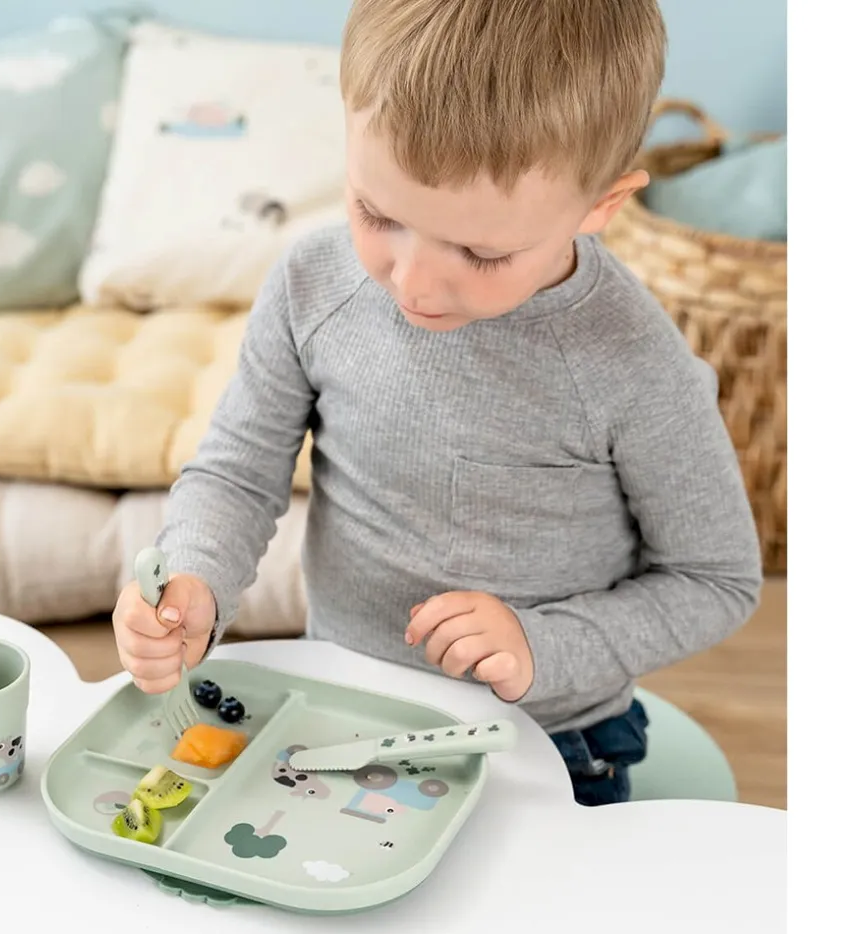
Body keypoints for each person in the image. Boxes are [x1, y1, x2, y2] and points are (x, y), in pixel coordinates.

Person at [112, 0, 762, 806]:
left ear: (601, 205)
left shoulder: (633, 365)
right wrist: (195, 578)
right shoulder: (311, 285)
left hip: (548, 739)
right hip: (339, 705)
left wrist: (542, 644)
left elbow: (714, 579)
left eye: (481, 252)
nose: (414, 283)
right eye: (377, 213)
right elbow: (238, 474)